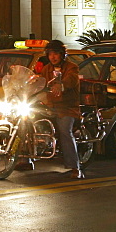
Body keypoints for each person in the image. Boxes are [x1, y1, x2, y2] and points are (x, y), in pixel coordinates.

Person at [34, 39, 83, 179]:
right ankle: (26, 159)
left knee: (65, 131)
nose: (53, 57)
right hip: (49, 106)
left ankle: (75, 167)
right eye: (50, 54)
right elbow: (40, 82)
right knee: (27, 121)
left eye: (56, 54)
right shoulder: (46, 69)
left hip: (67, 107)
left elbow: (71, 80)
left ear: (62, 54)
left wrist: (60, 85)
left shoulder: (72, 67)